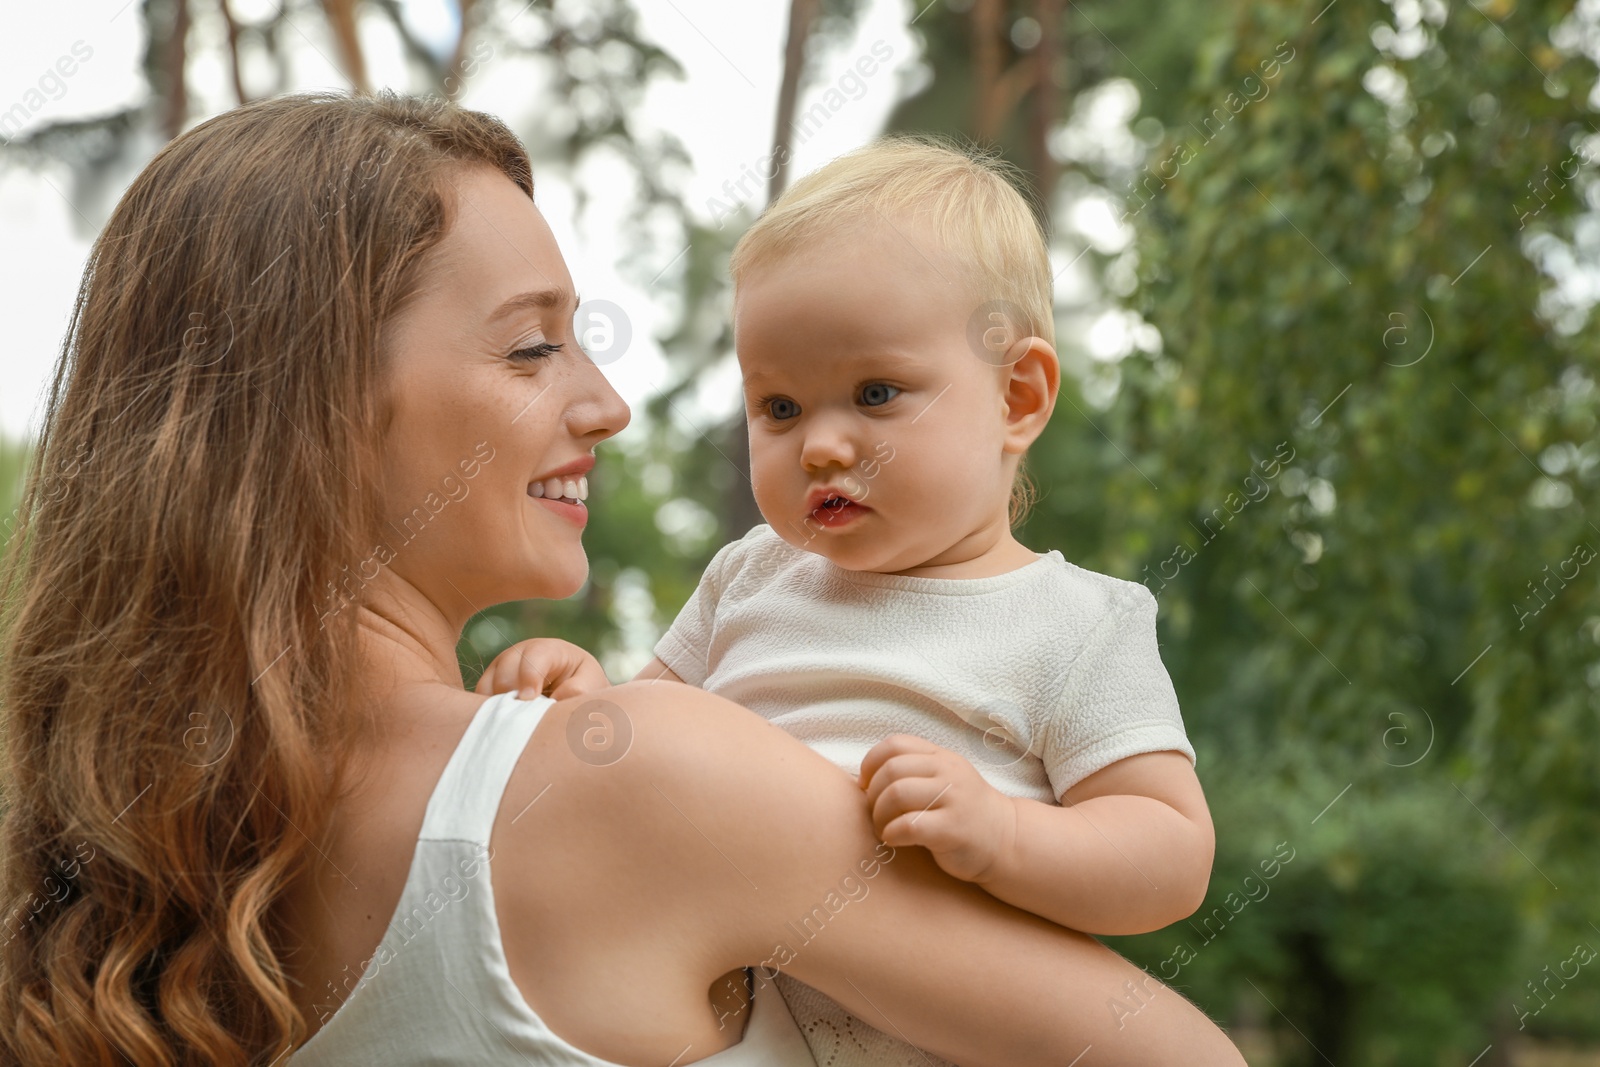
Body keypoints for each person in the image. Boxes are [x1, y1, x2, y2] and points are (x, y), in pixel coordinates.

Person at [0, 90, 1245, 1066]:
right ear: (316, 405)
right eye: (535, 346)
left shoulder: (112, 864)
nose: (607, 404)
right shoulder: (651, 778)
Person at [479, 139, 1216, 1065]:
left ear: (1017, 395)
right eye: (779, 407)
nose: (821, 445)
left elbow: (1170, 853)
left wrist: (1005, 833)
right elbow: (642, 744)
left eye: (875, 393)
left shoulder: (1077, 622)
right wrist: (580, 699)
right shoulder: (747, 578)